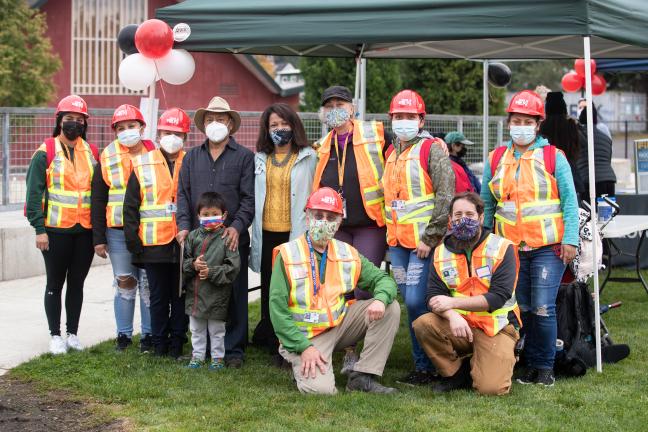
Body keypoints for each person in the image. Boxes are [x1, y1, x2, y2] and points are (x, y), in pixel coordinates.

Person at [481, 90, 579, 387]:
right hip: (510, 248)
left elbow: (570, 202)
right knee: (520, 307)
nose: (520, 126)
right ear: (508, 122)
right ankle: (527, 363)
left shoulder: (553, 157)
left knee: (543, 307)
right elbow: (487, 204)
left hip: (548, 247)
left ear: (538, 125)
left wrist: (571, 240)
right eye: (516, 120)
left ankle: (544, 367)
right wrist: (485, 242)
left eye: (527, 121)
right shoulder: (496, 157)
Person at [269, 187, 401, 395]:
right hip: (305, 336)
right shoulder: (288, 254)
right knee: (321, 391)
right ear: (307, 216)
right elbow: (277, 311)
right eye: (318, 215)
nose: (323, 221)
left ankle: (362, 376)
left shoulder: (347, 252)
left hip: (339, 325)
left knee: (390, 307)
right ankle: (301, 363)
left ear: (339, 222)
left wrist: (380, 299)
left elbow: (384, 280)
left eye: (330, 217)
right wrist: (304, 347)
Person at [413, 192, 520, 395]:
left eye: (470, 215)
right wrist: (452, 316)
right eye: (458, 214)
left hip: (496, 326)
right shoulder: (440, 252)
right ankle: (455, 374)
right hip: (459, 325)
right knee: (423, 324)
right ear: (450, 220)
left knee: (491, 389)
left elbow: (498, 297)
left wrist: (453, 305)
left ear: (481, 218)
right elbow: (432, 297)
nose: (464, 219)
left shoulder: (502, 247)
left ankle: (501, 356)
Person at [382, 89, 455, 385]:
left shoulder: (432, 150)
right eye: (399, 117)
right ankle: (422, 366)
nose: (404, 122)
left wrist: (431, 236)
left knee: (415, 301)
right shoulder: (391, 152)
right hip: (398, 244)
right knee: (411, 301)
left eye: (410, 117)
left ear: (421, 119)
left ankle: (433, 363)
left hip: (423, 244)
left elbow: (446, 195)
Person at [176, 96, 254, 368]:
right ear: (202, 125)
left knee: (234, 291)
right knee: (201, 289)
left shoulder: (244, 157)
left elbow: (248, 198)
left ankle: (233, 350)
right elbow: (183, 195)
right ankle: (202, 350)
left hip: (232, 238)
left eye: (220, 119)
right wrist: (184, 226)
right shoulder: (191, 158)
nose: (215, 123)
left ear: (231, 124)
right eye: (210, 119)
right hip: (199, 239)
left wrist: (237, 226)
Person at [25, 95, 98, 354]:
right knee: (55, 284)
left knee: (76, 283)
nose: (74, 124)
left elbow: (97, 194)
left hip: (84, 232)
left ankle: (72, 334)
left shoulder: (91, 153)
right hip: (55, 232)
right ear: (59, 121)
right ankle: (55, 335)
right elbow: (33, 195)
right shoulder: (45, 152)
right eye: (69, 119)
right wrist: (39, 229)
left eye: (80, 120)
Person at [250, 103, 317, 364]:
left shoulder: (309, 156)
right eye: (274, 125)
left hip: (295, 234)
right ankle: (269, 336)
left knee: (293, 289)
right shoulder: (259, 158)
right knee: (270, 289)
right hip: (267, 233)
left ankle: (289, 341)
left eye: (284, 123)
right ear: (267, 130)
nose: (279, 129)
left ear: (294, 125)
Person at [123, 108, 189, 358]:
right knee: (159, 298)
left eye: (177, 133)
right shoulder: (142, 163)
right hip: (153, 245)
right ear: (159, 133)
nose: (172, 136)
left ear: (185, 136)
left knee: (180, 297)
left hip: (182, 243)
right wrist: (133, 241)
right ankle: (160, 343)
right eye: (167, 132)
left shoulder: (191, 161)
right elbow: (130, 206)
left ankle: (177, 344)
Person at [91, 104, 156, 352]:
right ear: (115, 131)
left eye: (131, 126)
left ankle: (149, 336)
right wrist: (99, 238)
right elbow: (97, 198)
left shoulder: (156, 153)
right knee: (125, 282)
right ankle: (124, 336)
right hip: (117, 232)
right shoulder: (107, 156)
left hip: (150, 230)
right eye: (121, 128)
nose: (127, 131)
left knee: (149, 285)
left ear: (142, 127)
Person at [184, 192, 240, 370]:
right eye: (205, 215)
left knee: (217, 331)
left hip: (217, 296)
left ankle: (217, 358)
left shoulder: (227, 238)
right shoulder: (193, 237)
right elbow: (184, 262)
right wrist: (193, 264)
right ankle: (197, 357)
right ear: (198, 215)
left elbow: (233, 268)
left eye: (214, 214)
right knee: (197, 330)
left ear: (223, 215)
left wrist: (211, 272)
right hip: (195, 295)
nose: (210, 218)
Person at [539, 92, 583, 199]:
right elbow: (578, 147)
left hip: (548, 173)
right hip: (571, 172)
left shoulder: (543, 126)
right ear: (564, 106)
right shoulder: (571, 124)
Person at [577, 105, 617, 198]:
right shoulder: (606, 138)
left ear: (581, 119)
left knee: (589, 211)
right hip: (609, 180)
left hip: (589, 180)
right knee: (608, 210)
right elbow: (608, 159)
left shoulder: (578, 135)